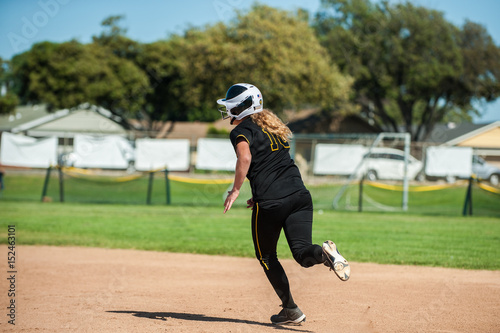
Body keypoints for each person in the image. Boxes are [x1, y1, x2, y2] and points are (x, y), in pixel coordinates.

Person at [217, 83, 350, 326]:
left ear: (243, 106)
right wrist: (258, 193)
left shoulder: (242, 130)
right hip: (299, 195)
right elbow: (273, 165)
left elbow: (245, 157)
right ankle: (325, 254)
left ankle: (291, 309)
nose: (228, 108)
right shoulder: (272, 127)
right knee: (302, 253)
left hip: (272, 202)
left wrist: (236, 189)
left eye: (231, 104)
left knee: (266, 256)